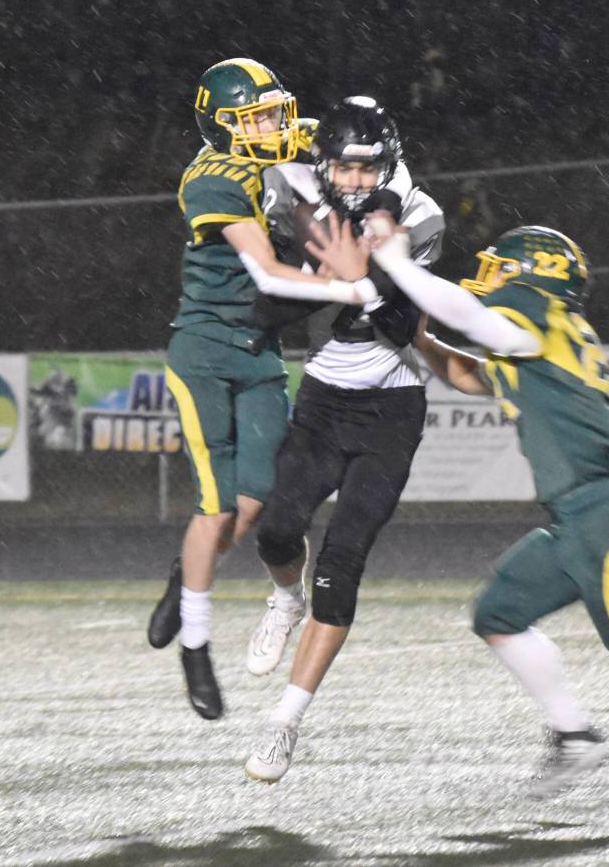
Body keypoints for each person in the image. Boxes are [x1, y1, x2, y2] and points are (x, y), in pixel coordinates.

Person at [310, 219, 609, 825]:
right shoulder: (541, 337)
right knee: (498, 616)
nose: (493, 277)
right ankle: (575, 735)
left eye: (504, 268)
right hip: (575, 520)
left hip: (604, 515)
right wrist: (415, 334)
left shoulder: (534, 317)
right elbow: (468, 372)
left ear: (534, 278)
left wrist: (400, 263)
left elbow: (478, 319)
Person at [148, 58, 378, 723]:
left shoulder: (278, 143)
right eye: (256, 118)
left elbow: (357, 147)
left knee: (253, 504)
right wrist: (350, 287)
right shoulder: (212, 176)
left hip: (260, 350)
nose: (274, 127)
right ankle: (196, 644)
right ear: (221, 127)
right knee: (217, 506)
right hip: (205, 348)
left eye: (276, 112)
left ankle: (180, 575)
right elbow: (270, 270)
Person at [235, 97, 445, 783]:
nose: (353, 181)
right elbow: (266, 307)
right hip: (325, 396)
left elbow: (397, 322)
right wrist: (338, 276)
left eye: (366, 168)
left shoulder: (420, 214)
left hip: (392, 405)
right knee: (276, 529)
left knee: (341, 558)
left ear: (387, 166)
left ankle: (283, 723)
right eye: (342, 168)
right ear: (322, 164)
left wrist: (344, 279)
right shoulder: (295, 192)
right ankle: (282, 599)